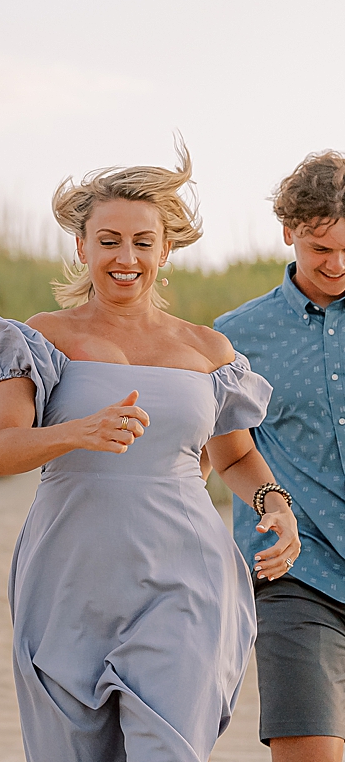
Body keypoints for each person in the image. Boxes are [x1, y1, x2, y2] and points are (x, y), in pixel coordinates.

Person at [0, 149, 300, 760]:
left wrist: (274, 503)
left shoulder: (207, 348)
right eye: (109, 240)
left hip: (185, 577)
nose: (126, 258)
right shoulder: (38, 338)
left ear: (165, 249)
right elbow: (1, 452)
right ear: (82, 247)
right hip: (68, 578)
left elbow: (231, 457)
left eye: (143, 242)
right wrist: (78, 431)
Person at [215, 150, 345, 761]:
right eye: (321, 249)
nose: (337, 264)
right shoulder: (237, 337)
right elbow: (226, 452)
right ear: (289, 232)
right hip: (298, 574)